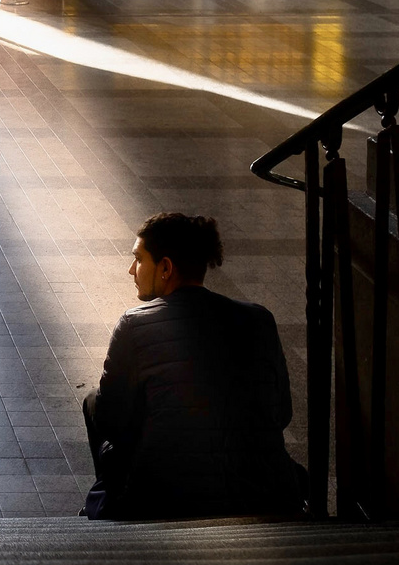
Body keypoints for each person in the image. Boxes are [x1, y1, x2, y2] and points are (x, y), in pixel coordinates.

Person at [82, 213, 305, 520]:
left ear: (166, 268)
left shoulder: (135, 325)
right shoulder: (259, 319)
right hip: (265, 494)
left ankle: (113, 501)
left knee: (95, 402)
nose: (131, 269)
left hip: (166, 499)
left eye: (138, 259)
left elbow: (111, 420)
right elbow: (281, 413)